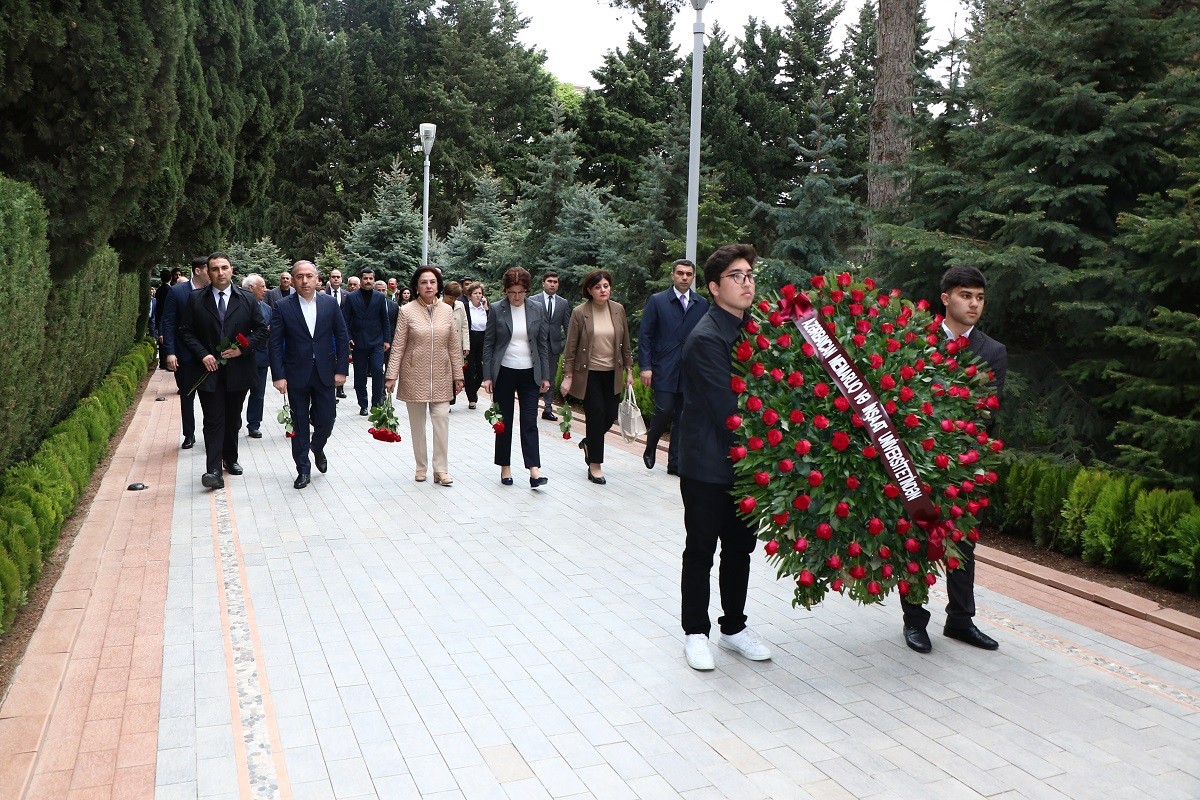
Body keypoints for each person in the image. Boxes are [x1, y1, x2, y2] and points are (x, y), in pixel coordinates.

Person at [902, 265, 1007, 655]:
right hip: (917, 460)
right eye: (966, 295)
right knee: (915, 540)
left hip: (966, 465)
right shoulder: (915, 340)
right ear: (945, 299)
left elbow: (987, 411)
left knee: (963, 543)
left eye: (979, 297)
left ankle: (961, 620)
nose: (974, 304)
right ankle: (914, 622)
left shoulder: (993, 351)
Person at [677, 243, 771, 670]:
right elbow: (729, 411)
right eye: (737, 275)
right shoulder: (706, 338)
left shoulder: (760, 330)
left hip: (746, 465)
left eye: (750, 274)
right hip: (707, 463)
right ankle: (696, 632)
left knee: (739, 548)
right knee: (701, 549)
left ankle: (733, 628)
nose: (747, 281)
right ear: (714, 287)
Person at [178, 252, 268, 489]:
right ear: (208, 272)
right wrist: (203, 354)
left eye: (224, 268)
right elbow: (186, 331)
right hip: (209, 371)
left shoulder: (247, 298)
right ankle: (213, 470)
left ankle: (231, 457)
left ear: (232, 270)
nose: (220, 272)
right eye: (215, 268)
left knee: (233, 419)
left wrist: (242, 349)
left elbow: (261, 330)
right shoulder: (196, 299)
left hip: (239, 370)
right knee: (213, 419)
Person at [269, 260, 351, 489]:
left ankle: (317, 446)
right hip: (296, 373)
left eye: (309, 276)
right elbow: (274, 343)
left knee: (326, 419)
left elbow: (342, 337)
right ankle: (303, 469)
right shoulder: (283, 306)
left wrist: (342, 370)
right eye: (299, 276)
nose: (304, 281)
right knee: (299, 423)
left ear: (317, 279)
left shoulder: (330, 304)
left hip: (325, 372)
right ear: (293, 280)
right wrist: (278, 375)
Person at [385, 267, 465, 486]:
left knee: (441, 421)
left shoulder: (447, 311)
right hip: (414, 375)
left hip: (441, 374)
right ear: (417, 286)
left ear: (438, 285)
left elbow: (453, 346)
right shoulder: (407, 311)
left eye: (432, 282)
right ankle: (421, 467)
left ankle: (441, 469)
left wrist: (458, 375)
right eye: (424, 282)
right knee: (417, 424)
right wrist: (391, 375)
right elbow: (399, 344)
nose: (429, 286)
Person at [560, 269, 633, 485]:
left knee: (610, 415)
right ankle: (595, 466)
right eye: (598, 287)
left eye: (606, 286)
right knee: (596, 414)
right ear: (590, 291)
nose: (603, 290)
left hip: (613, 373)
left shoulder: (618, 310)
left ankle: (590, 443)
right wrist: (568, 375)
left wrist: (629, 370)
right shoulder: (580, 312)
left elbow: (626, 344)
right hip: (589, 373)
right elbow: (571, 347)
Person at [483, 268, 552, 489]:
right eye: (512, 292)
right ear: (505, 291)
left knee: (530, 421)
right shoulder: (496, 309)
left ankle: (534, 470)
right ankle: (505, 466)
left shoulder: (537, 308)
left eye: (521, 292)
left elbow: (542, 344)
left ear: (526, 291)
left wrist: (546, 376)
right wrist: (487, 376)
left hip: (530, 372)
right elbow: (489, 343)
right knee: (504, 421)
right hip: (504, 370)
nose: (516, 297)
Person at [639, 259, 708, 475]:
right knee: (664, 409)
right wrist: (645, 366)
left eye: (688, 274)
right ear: (672, 275)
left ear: (693, 277)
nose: (684, 277)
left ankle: (675, 463)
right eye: (680, 273)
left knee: (682, 417)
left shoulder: (702, 304)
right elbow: (645, 335)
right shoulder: (658, 301)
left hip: (689, 370)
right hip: (664, 367)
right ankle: (651, 446)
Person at [161, 256, 211, 449]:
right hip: (185, 356)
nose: (213, 273)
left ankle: (210, 435)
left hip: (208, 357)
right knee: (187, 397)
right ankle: (189, 434)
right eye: (209, 269)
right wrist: (170, 353)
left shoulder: (212, 292)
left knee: (211, 399)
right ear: (198, 271)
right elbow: (169, 322)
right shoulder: (177, 292)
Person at [342, 269, 392, 416]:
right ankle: (363, 404)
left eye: (371, 278)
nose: (368, 281)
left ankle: (376, 404)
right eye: (365, 278)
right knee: (360, 376)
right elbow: (346, 319)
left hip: (377, 341)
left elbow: (385, 319)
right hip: (358, 342)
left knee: (377, 371)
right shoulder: (351, 297)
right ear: (361, 280)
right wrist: (348, 336)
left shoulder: (379, 297)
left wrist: (387, 339)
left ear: (374, 279)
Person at [532, 271, 569, 420]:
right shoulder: (534, 300)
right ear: (543, 283)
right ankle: (531, 406)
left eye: (555, 282)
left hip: (553, 345)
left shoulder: (563, 303)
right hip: (536, 346)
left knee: (551, 378)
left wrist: (569, 347)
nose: (552, 284)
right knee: (535, 376)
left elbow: (567, 325)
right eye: (549, 281)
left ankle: (547, 408)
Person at [241, 274, 272, 439]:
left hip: (260, 358)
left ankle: (254, 424)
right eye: (262, 286)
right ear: (251, 288)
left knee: (258, 393)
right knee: (238, 393)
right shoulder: (237, 305)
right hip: (240, 358)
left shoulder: (267, 308)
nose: (265, 290)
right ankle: (234, 422)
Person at [443, 281, 470, 406]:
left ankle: (451, 398)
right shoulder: (437, 305)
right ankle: (445, 400)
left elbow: (464, 325)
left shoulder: (460, 305)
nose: (452, 300)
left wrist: (466, 345)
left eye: (454, 298)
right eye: (450, 297)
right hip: (442, 344)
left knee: (455, 371)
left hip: (457, 344)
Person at [464, 283, 489, 409]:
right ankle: (471, 398)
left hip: (482, 339)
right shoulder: (465, 308)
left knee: (481, 370)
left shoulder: (484, 309)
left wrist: (486, 309)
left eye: (480, 293)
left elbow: (491, 324)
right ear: (469, 296)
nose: (478, 296)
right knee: (470, 369)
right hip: (470, 339)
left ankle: (472, 391)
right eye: (475, 293)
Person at [325, 269, 348, 398]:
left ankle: (340, 388)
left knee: (340, 357)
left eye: (338, 277)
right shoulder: (322, 294)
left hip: (340, 331)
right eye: (333, 277)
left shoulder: (346, 295)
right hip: (327, 331)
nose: (336, 279)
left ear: (341, 279)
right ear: (329, 278)